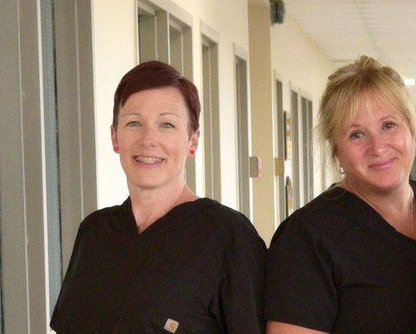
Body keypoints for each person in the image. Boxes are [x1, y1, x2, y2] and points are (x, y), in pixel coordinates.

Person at [50, 60, 266, 333]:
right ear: (115, 137)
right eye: (134, 123)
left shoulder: (228, 238)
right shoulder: (94, 232)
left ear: (193, 140)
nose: (148, 139)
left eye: (166, 125)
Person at [265, 56, 416, 334]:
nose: (378, 147)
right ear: (336, 150)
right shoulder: (307, 237)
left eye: (388, 125)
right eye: (357, 134)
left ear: (412, 129)